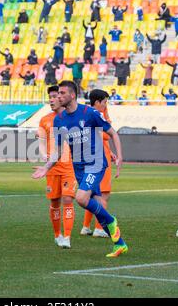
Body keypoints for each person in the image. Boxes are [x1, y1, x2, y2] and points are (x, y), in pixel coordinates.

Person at [32, 82, 128, 258]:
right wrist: (46, 168)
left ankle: (112, 222)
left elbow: (113, 133)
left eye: (61, 93)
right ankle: (119, 244)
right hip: (79, 167)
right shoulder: (59, 120)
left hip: (96, 162)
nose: (58, 96)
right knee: (98, 206)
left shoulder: (89, 113)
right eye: (57, 94)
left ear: (72, 95)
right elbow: (59, 150)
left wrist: (119, 156)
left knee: (81, 198)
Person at [37, 85, 76, 247]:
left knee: (68, 199)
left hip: (69, 166)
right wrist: (42, 155)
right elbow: (41, 140)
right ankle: (57, 234)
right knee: (54, 202)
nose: (52, 100)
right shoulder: (45, 119)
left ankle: (67, 237)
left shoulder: (71, 117)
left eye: (55, 96)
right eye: (50, 97)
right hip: (52, 167)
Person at [81, 90, 116, 238]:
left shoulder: (83, 113)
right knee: (104, 194)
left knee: (92, 193)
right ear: (98, 102)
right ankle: (99, 228)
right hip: (100, 159)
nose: (106, 105)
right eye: (105, 102)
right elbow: (107, 134)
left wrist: (110, 152)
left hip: (94, 155)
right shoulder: (96, 114)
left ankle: (86, 227)